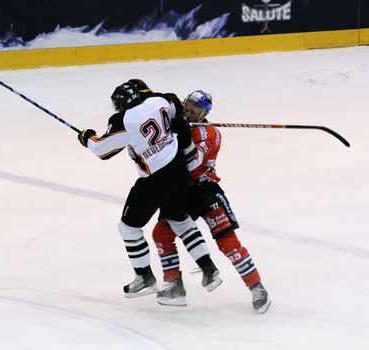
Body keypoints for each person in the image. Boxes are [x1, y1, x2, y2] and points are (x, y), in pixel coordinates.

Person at [77, 81, 222, 298]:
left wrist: (86, 137)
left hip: (154, 181)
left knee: (128, 228)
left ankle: (145, 277)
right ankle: (209, 268)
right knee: (180, 221)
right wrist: (181, 124)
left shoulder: (123, 120)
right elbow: (178, 110)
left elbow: (102, 150)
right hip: (179, 171)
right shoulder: (162, 99)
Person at [152, 90, 271, 313]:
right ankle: (175, 286)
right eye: (186, 108)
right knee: (161, 233)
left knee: (227, 241)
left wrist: (183, 134)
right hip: (181, 193)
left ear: (204, 113)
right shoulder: (178, 118)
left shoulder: (210, 135)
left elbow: (193, 164)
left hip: (205, 191)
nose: (187, 113)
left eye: (193, 112)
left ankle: (257, 287)